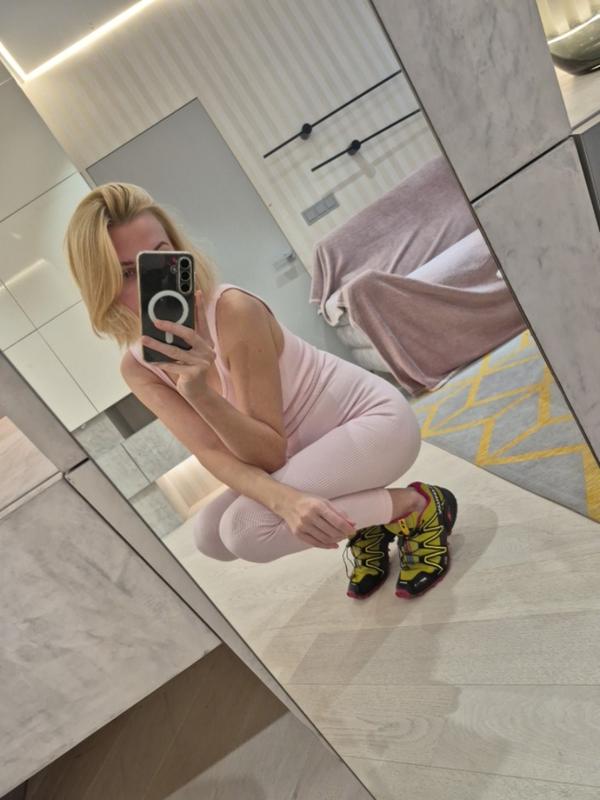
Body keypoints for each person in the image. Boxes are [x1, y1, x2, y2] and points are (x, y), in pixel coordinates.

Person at [65, 182, 457, 599]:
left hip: (373, 425)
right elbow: (213, 454)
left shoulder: (233, 310)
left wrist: (200, 393)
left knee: (246, 530)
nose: (152, 285)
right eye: (128, 273)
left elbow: (269, 454)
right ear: (101, 285)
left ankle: (416, 506)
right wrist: (284, 499)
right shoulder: (138, 368)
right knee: (209, 536)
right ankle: (367, 524)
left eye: (160, 258)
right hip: (306, 452)